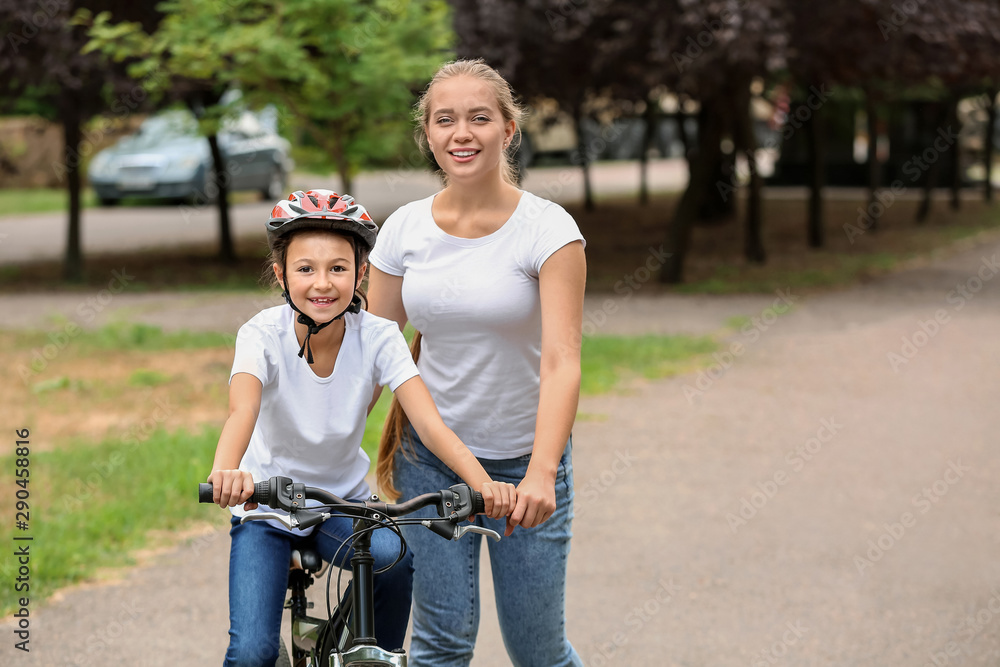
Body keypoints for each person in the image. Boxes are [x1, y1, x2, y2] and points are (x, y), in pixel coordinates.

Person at [207, 188, 517, 667]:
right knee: (252, 652)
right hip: (266, 507)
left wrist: (483, 485)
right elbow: (241, 411)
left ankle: (380, 658)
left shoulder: (379, 336)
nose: (322, 283)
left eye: (338, 267)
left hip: (341, 505)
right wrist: (227, 472)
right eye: (305, 268)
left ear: (361, 272)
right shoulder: (260, 335)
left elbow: (429, 423)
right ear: (281, 275)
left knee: (393, 560)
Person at [368, 59, 587, 666]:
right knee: (438, 647)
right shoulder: (404, 230)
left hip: (525, 466)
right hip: (429, 464)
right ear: (428, 135)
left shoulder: (548, 230)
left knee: (538, 652)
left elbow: (563, 362)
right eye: (445, 120)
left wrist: (543, 472)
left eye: (478, 118)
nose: (461, 133)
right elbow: (376, 352)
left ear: (508, 129)